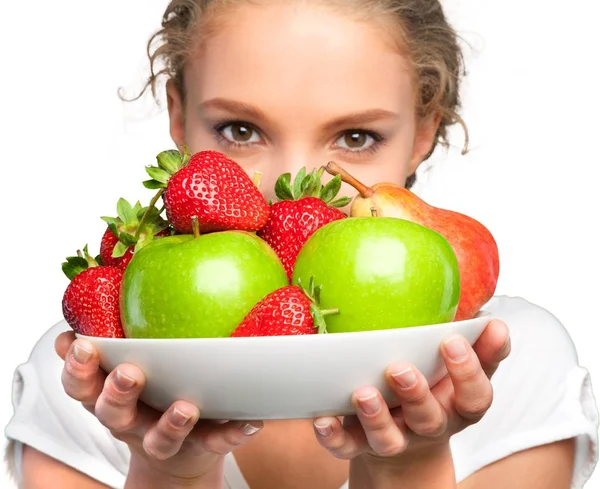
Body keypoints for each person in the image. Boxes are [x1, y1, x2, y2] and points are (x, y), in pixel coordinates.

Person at [4, 0, 599, 488]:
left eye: (357, 135)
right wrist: (170, 474)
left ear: (422, 133)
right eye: (241, 131)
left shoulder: (515, 371)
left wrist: (407, 467)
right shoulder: (88, 384)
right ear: (178, 117)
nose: (298, 190)